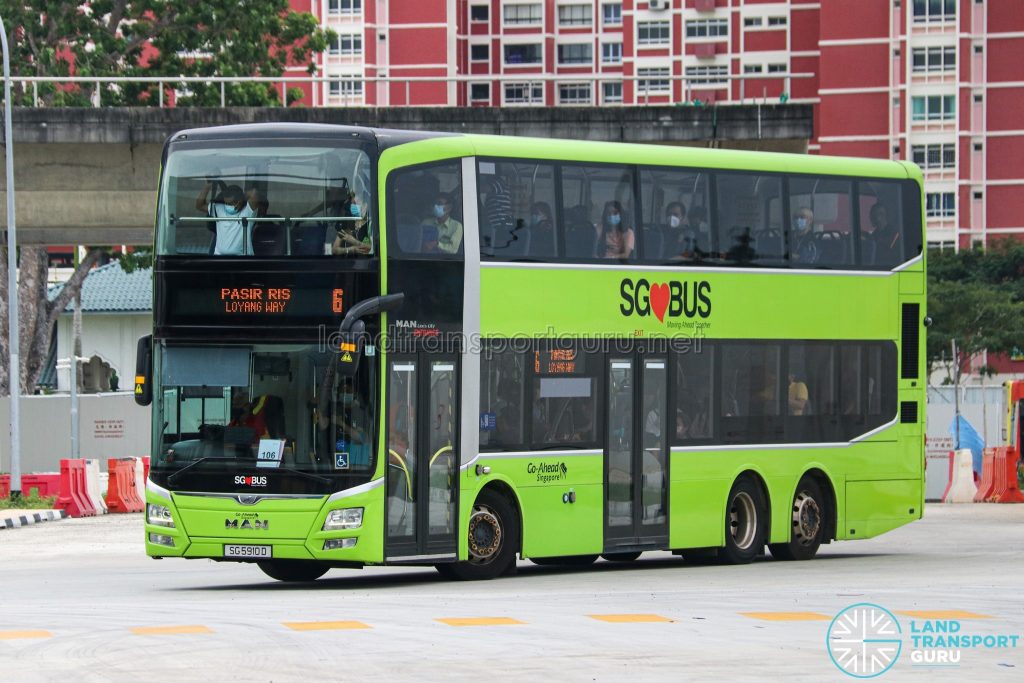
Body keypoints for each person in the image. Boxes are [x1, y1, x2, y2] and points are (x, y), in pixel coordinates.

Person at [196, 181, 258, 255]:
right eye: (226, 203)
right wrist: (207, 186)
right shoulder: (219, 209)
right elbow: (199, 205)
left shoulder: (247, 211)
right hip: (219, 258)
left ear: (239, 201)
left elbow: (254, 193)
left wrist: (242, 197)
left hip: (242, 259)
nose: (227, 205)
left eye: (230, 203)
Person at [332, 190, 373, 256]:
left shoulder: (370, 224)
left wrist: (353, 241)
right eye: (352, 204)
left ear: (365, 206)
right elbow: (334, 249)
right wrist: (351, 250)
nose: (353, 207)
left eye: (356, 204)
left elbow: (372, 248)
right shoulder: (348, 221)